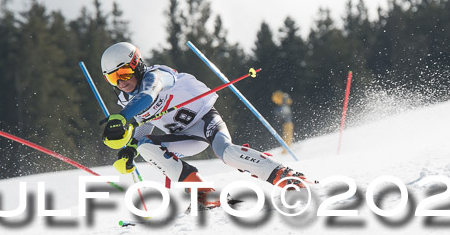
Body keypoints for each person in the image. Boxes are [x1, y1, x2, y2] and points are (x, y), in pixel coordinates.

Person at [99, 42, 308, 204]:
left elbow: (149, 94)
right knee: (146, 146)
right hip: (184, 137)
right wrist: (130, 149)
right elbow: (145, 122)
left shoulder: (156, 75)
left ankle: (285, 175)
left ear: (137, 65)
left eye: (123, 73)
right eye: (112, 79)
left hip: (205, 120)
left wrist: (122, 117)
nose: (120, 82)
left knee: (227, 152)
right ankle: (203, 193)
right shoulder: (127, 100)